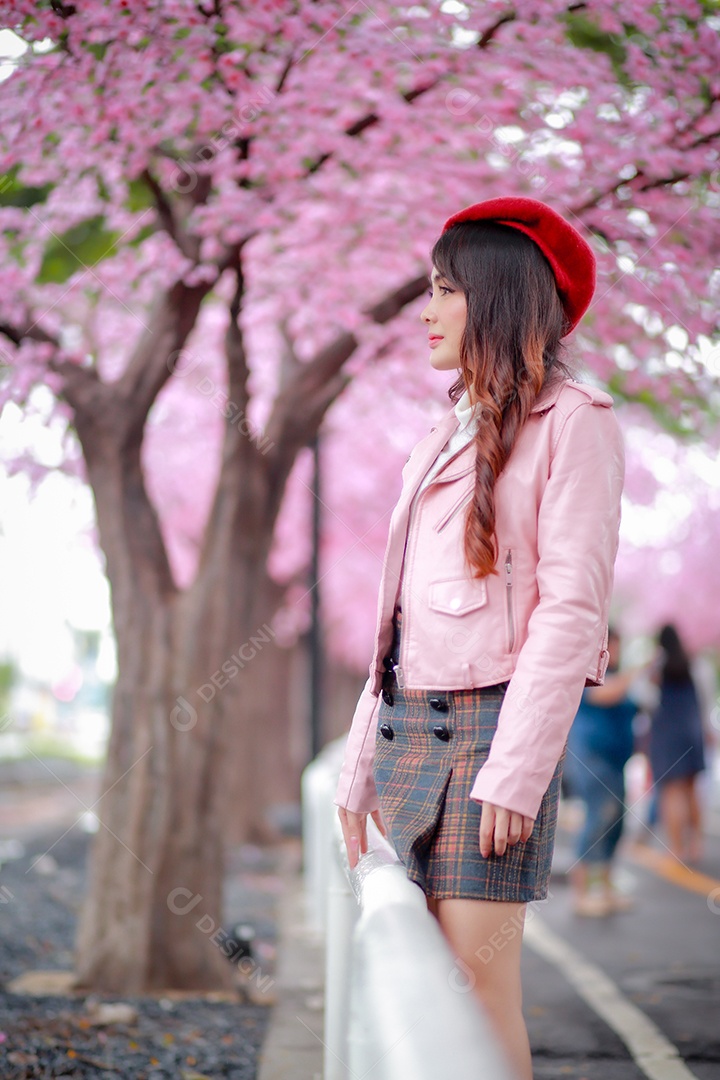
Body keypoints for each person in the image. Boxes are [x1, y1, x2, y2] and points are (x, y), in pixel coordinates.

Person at [334, 196, 624, 1080]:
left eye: (445, 289)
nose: (425, 311)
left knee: (472, 1002)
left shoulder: (577, 421)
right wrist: (358, 765)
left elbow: (571, 612)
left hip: (491, 741)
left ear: (497, 299)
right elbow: (396, 621)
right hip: (409, 737)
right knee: (411, 975)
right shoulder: (447, 427)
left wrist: (517, 769)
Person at [564, 628, 642, 916]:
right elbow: (608, 694)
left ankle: (606, 887)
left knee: (615, 823)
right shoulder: (586, 672)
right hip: (591, 757)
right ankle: (581, 892)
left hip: (615, 758)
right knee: (598, 818)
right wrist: (638, 673)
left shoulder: (619, 674)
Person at [649, 623, 706, 862]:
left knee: (671, 792)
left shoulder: (656, 668)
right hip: (692, 731)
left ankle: (676, 848)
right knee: (691, 789)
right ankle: (695, 844)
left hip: (667, 735)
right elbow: (703, 698)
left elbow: (647, 701)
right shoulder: (695, 663)